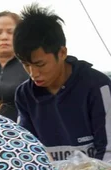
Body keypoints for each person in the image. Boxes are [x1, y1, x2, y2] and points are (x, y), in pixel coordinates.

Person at [13, 4, 111, 161]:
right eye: (26, 65)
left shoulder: (98, 87)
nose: (33, 74)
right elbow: (27, 150)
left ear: (62, 53)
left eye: (40, 65)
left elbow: (108, 154)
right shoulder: (24, 95)